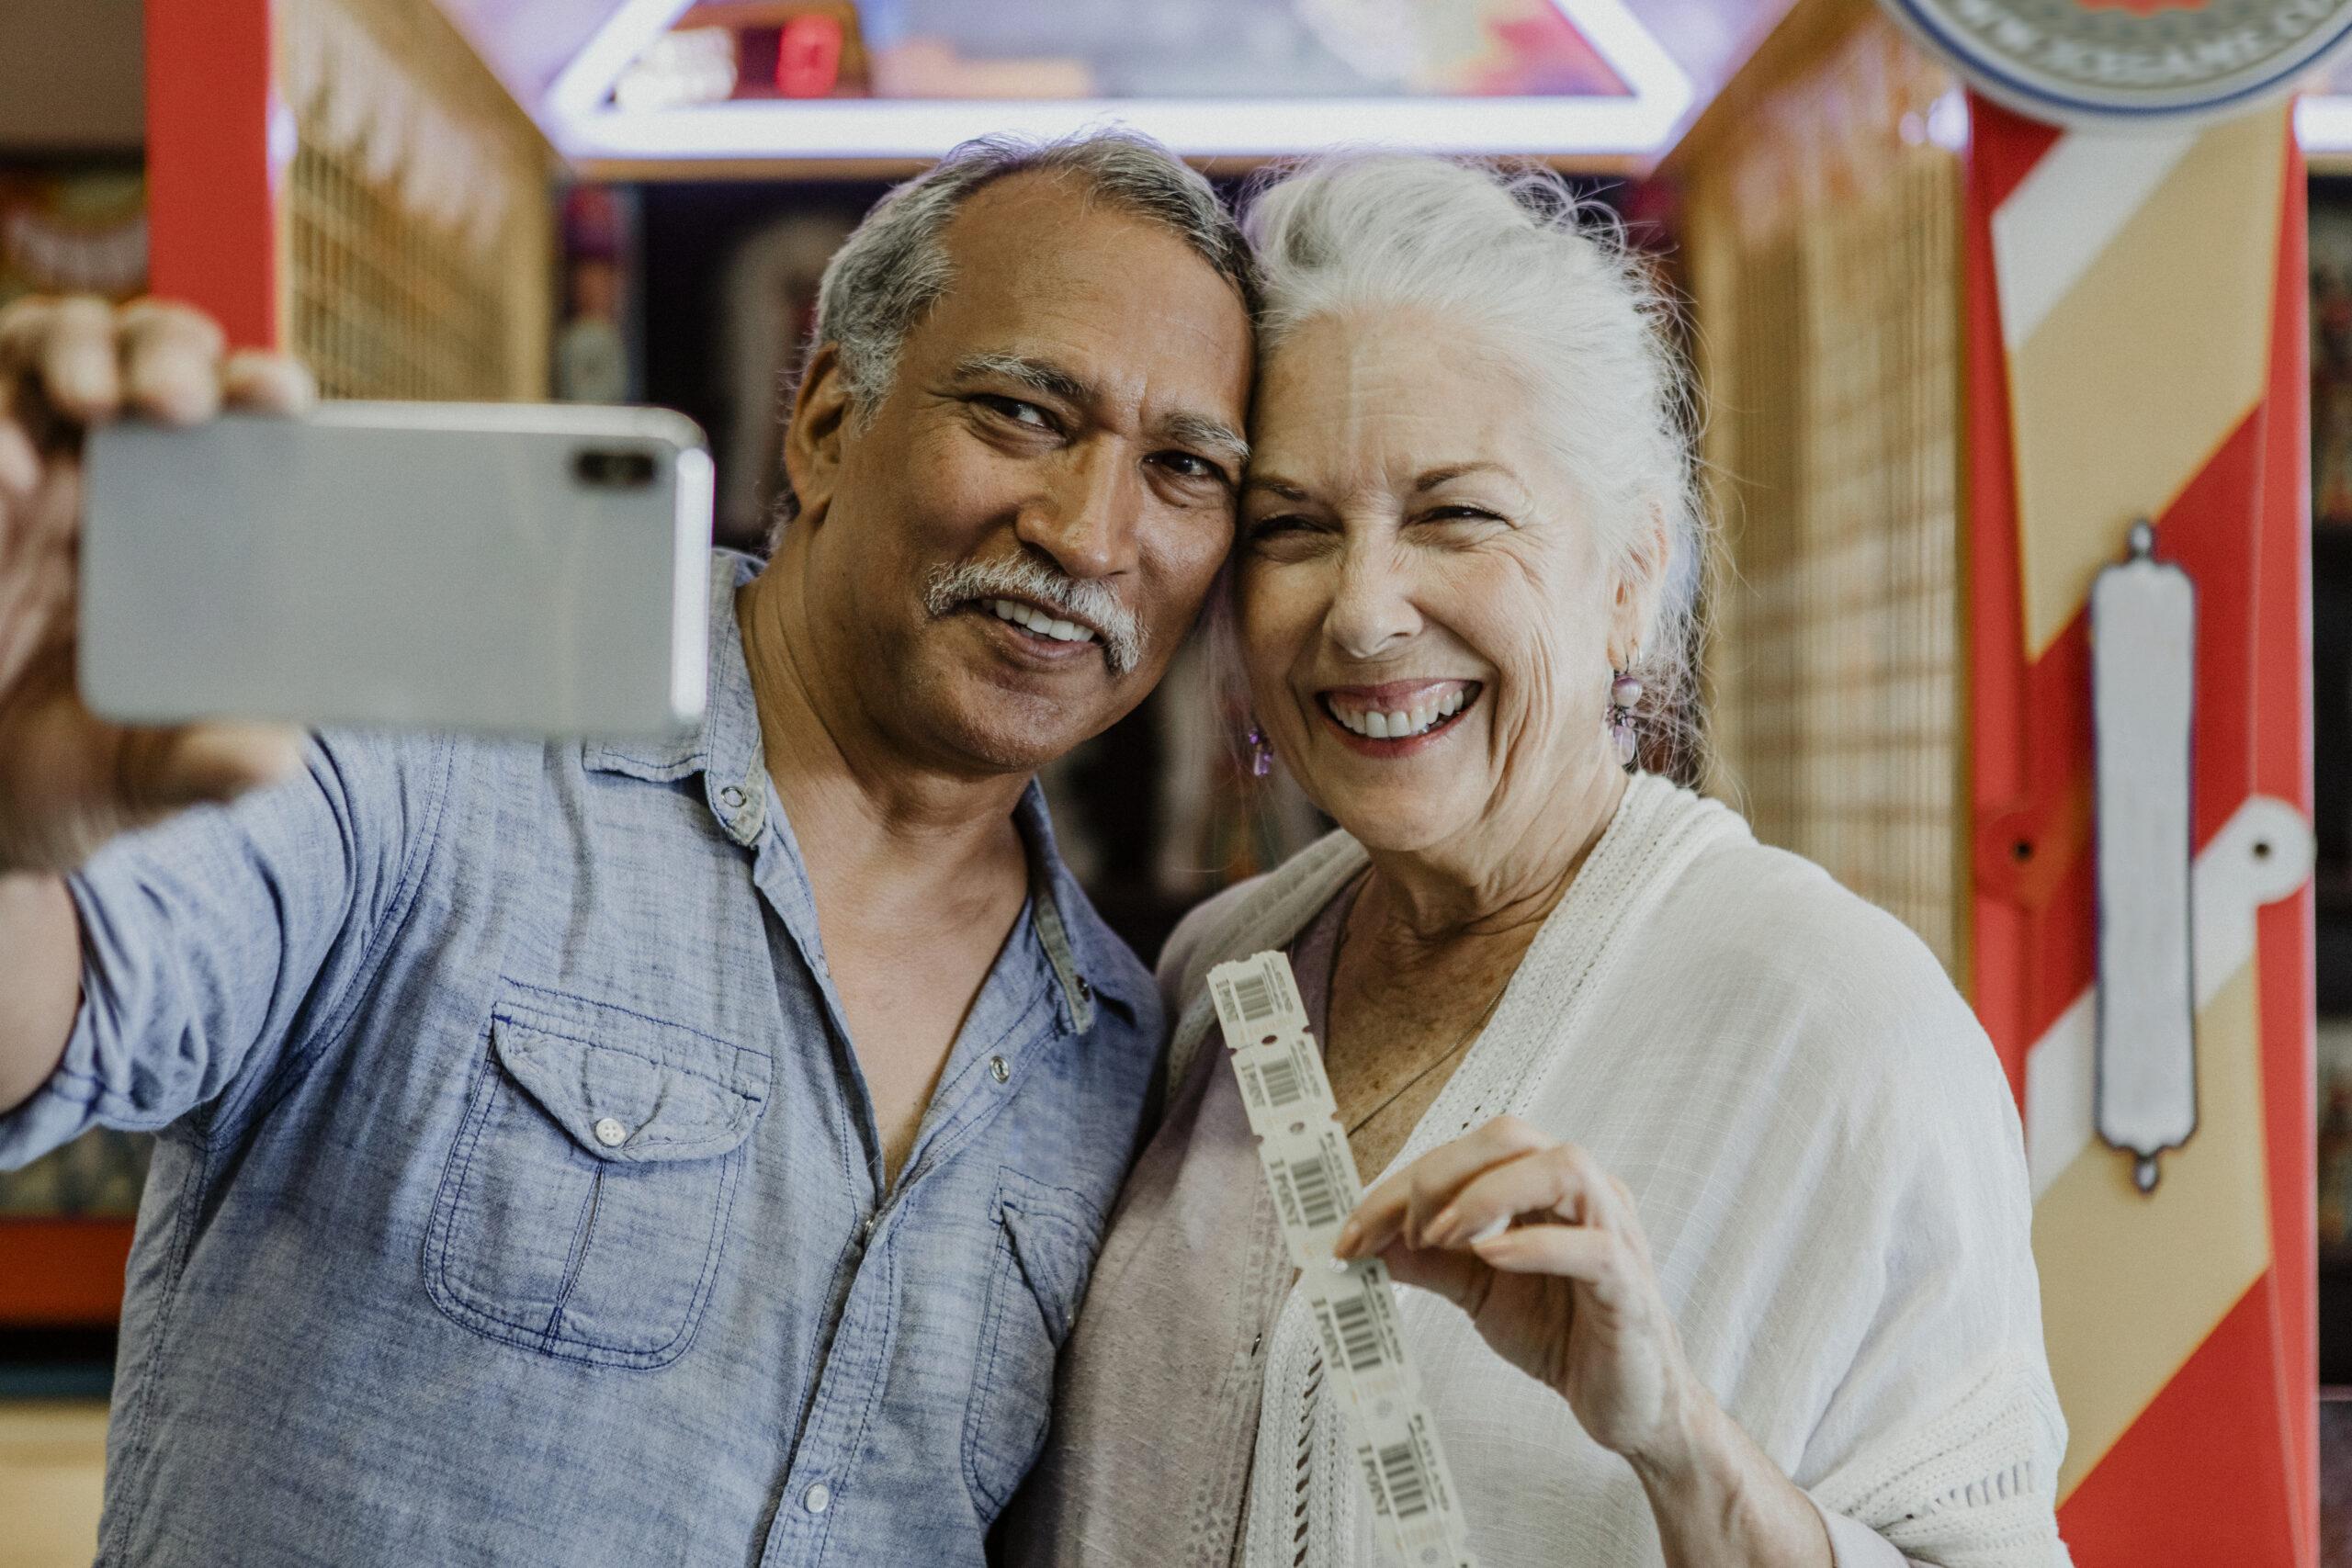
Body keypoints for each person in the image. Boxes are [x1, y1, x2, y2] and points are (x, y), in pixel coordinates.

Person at [0, 131, 1253, 1566]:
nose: (1092, 535)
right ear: (831, 422)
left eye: (1183, 467)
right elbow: (68, 1005)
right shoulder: (438, 750)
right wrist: (12, 835)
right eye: (1026, 412)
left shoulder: (1113, 1049)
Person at [1004, 155, 2069, 1567]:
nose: (1367, 612)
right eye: (1296, 530)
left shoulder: (1843, 1026)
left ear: (1630, 576)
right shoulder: (1223, 973)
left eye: (1457, 514)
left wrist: (1676, 1437)